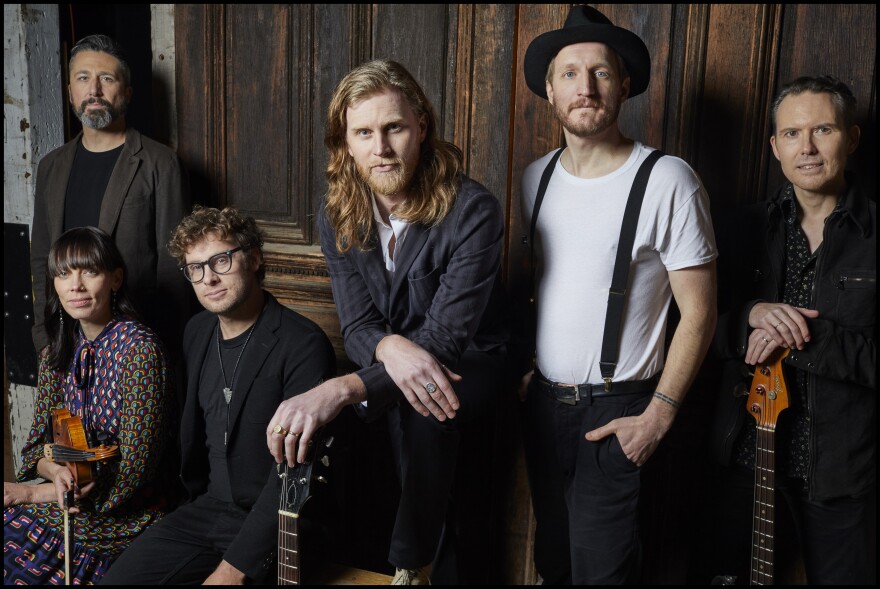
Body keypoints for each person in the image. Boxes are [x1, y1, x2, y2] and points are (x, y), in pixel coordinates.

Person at [265, 59, 509, 585]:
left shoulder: (473, 210)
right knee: (312, 411)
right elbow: (356, 326)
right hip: (392, 362)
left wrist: (346, 386)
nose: (382, 147)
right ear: (345, 144)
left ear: (421, 125)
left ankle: (408, 565)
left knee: (429, 403)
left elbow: (446, 337)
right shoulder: (339, 213)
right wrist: (391, 350)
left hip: (473, 359)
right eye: (364, 133)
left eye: (394, 127)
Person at [514, 5, 718, 584]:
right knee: (553, 562)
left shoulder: (667, 179)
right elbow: (541, 286)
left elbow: (699, 312)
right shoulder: (537, 178)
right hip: (544, 409)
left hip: (619, 412)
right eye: (570, 73)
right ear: (550, 90)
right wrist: (528, 368)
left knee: (603, 574)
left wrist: (660, 414)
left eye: (601, 72)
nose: (586, 86)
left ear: (623, 85)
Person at [100, 205, 336, 585]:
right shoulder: (197, 332)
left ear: (255, 258)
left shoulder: (303, 344)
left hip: (277, 520)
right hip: (206, 510)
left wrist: (232, 570)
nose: (208, 278)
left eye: (221, 260)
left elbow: (295, 474)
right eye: (195, 268)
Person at [710, 75, 875, 585]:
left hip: (843, 476)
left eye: (822, 130)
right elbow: (694, 332)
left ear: (850, 138)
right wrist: (750, 317)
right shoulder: (739, 229)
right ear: (774, 146)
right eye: (791, 133)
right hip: (746, 459)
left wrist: (799, 338)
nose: (806, 147)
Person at [3, 226, 176, 584]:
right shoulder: (57, 351)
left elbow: (132, 473)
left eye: (89, 271)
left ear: (115, 279)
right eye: (64, 274)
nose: (75, 285)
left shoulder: (140, 351)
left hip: (123, 513)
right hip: (65, 499)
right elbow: (35, 449)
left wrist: (35, 493)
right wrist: (57, 473)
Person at [30, 33, 192, 364]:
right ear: (71, 92)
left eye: (106, 78)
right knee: (66, 419)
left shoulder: (160, 163)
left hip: (133, 345)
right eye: (83, 78)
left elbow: (173, 269)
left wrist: (157, 351)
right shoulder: (51, 166)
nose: (94, 90)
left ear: (126, 92)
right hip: (65, 343)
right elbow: (40, 257)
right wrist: (44, 337)